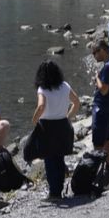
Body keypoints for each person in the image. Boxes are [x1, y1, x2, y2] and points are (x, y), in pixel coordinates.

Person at [29, 61, 79, 201]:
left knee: (50, 160)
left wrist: (34, 121)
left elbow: (41, 106)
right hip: (62, 125)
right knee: (59, 157)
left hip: (47, 127)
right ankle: (59, 188)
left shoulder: (42, 89)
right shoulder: (65, 86)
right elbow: (77, 102)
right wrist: (68, 117)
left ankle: (54, 193)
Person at [90, 40, 109, 184]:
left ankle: (97, 173)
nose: (94, 56)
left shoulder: (108, 67)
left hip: (102, 108)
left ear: (102, 50)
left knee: (98, 143)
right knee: (108, 139)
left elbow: (104, 89)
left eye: (95, 52)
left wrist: (96, 78)